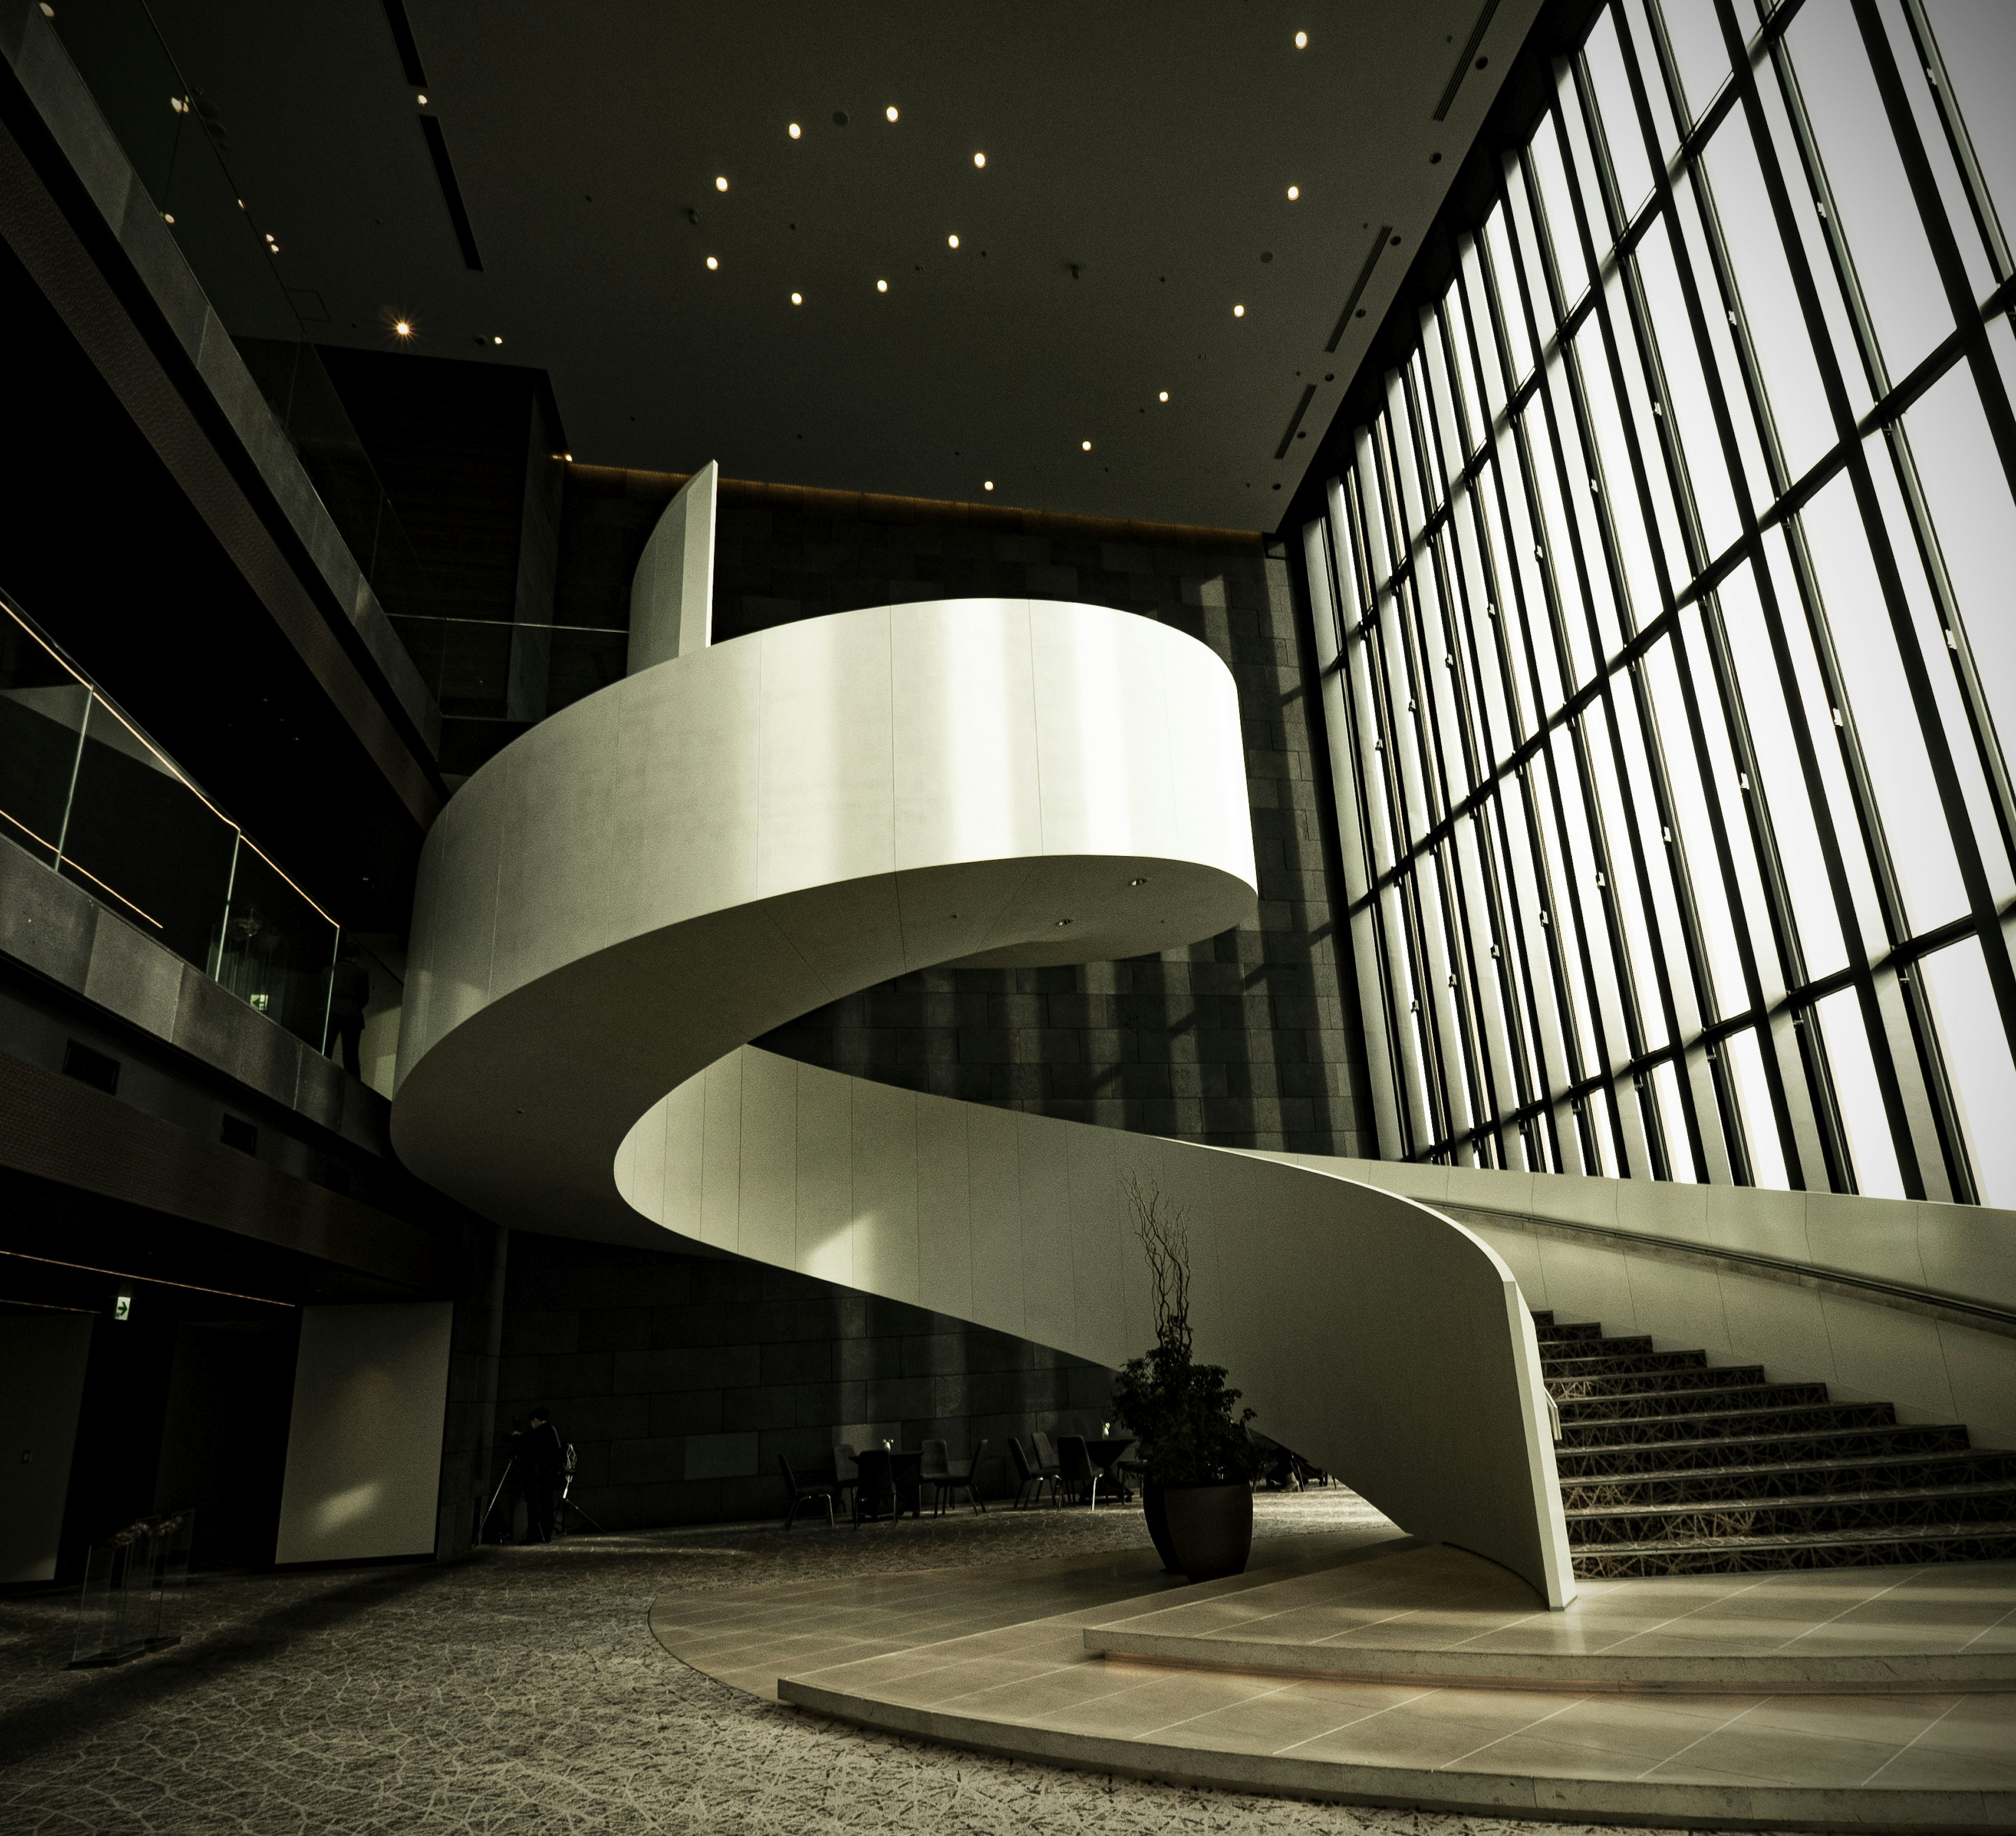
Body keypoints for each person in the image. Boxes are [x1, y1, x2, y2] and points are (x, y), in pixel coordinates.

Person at [521, 1404, 566, 1543]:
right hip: (549, 1475)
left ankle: (531, 1537)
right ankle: (546, 1536)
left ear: (535, 1420)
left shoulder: (535, 1434)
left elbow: (522, 1444)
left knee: (534, 1506)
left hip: (536, 1476)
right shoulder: (552, 1431)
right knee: (548, 1505)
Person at [329, 942, 371, 1077]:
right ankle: (354, 1084)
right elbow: (364, 998)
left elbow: (325, 993)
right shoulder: (361, 973)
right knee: (351, 1054)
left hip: (332, 1013)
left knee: (327, 1048)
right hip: (352, 1015)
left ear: (341, 955)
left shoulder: (329, 971)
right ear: (356, 957)